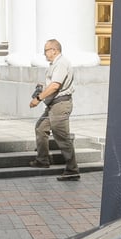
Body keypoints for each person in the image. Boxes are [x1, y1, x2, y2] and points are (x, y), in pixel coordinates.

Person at [29, 39, 78, 181]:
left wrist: (38, 99)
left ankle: (72, 170)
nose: (45, 53)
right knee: (40, 128)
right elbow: (52, 84)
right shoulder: (55, 64)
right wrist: (42, 88)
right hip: (53, 104)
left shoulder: (61, 63)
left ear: (54, 50)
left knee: (62, 137)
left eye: (46, 50)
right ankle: (42, 160)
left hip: (60, 105)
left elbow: (55, 85)